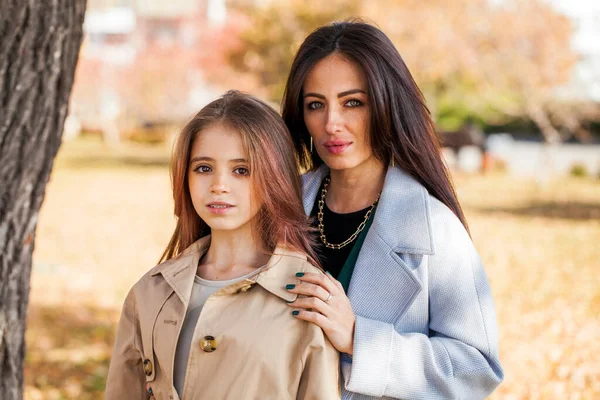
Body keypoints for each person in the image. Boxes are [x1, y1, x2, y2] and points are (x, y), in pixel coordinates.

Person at [281, 21, 504, 399]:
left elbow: (476, 371)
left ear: (386, 104)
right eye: (315, 105)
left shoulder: (435, 229)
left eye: (353, 102)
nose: (332, 123)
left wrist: (358, 338)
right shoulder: (278, 206)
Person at [105, 91, 340, 399]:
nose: (219, 185)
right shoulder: (150, 292)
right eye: (204, 168)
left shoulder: (307, 296)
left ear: (275, 177)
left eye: (241, 170)